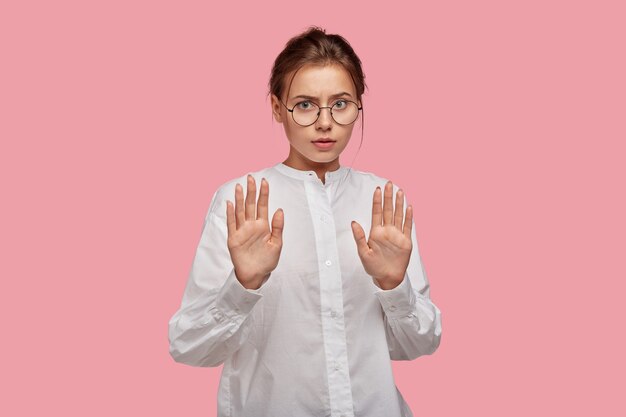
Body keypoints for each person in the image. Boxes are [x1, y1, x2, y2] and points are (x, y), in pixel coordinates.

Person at [168, 26, 442, 417]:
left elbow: (418, 345)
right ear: (278, 108)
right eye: (306, 105)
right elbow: (189, 347)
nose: (325, 122)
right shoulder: (238, 202)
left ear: (358, 106)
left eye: (341, 104)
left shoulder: (382, 203)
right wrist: (243, 285)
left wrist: (394, 285)